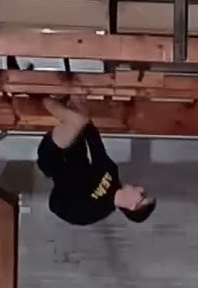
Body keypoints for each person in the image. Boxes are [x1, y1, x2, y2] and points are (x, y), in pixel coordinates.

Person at [36, 96, 156, 226]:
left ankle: (38, 96)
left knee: (76, 120)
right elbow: (96, 147)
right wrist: (86, 120)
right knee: (78, 107)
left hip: (53, 158)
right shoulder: (112, 173)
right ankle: (60, 91)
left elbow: (57, 206)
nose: (141, 188)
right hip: (71, 144)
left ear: (132, 206)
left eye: (142, 195)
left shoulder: (96, 211)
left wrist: (63, 180)